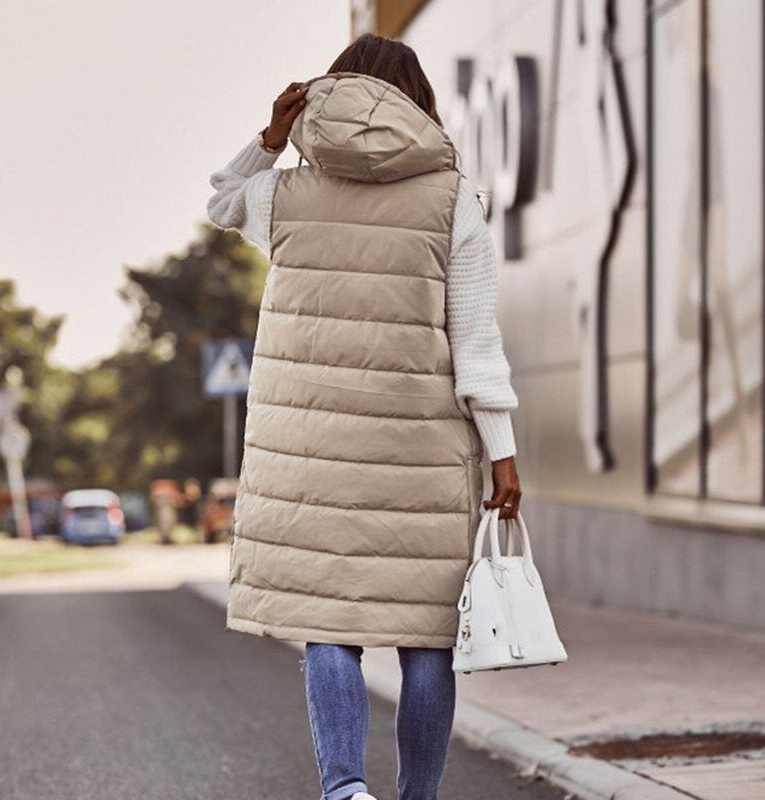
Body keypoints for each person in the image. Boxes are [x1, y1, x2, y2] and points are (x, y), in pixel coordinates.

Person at [207, 32, 522, 800]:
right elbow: (475, 336)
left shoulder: (284, 194)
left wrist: (268, 141)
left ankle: (346, 791)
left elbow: (219, 200)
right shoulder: (455, 199)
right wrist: (504, 452)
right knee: (424, 639)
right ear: (420, 104)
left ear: (329, 93)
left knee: (329, 622)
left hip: (309, 456)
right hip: (421, 453)